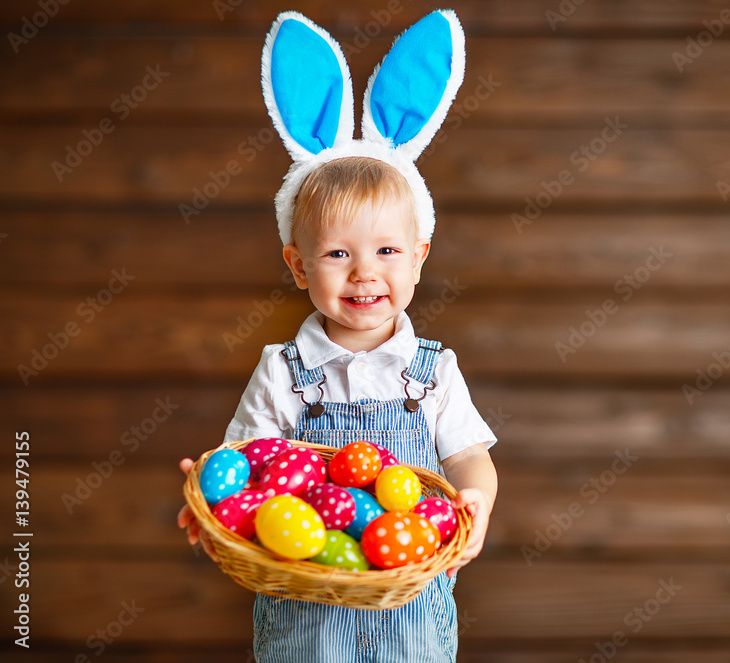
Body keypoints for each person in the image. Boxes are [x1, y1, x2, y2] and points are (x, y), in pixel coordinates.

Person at [178, 9, 497, 662]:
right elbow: (246, 462)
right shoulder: (283, 368)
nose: (364, 274)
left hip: (407, 605)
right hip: (308, 608)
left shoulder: (433, 370)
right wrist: (211, 492)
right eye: (336, 255)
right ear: (297, 264)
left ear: (419, 256)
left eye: (386, 250)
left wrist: (477, 502)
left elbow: (466, 457)